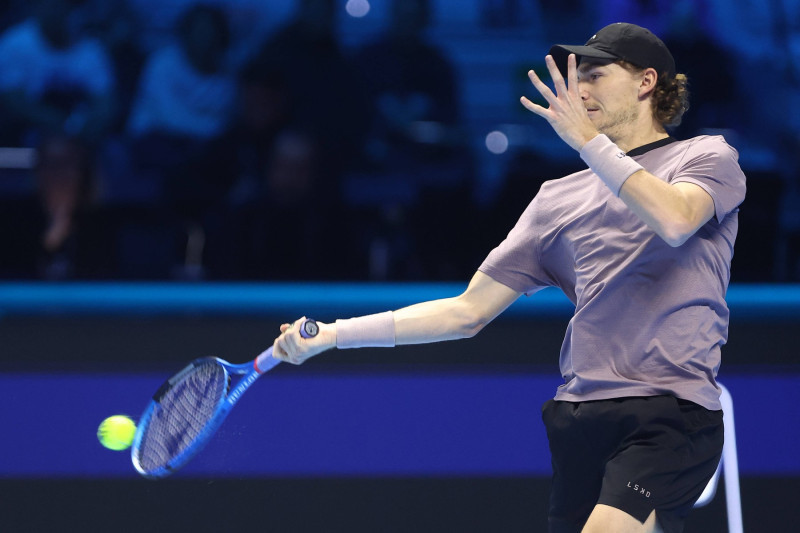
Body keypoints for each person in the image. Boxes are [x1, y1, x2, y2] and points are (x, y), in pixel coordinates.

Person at [270, 23, 746, 533]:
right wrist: (334, 335)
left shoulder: (706, 157)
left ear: (646, 81)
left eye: (595, 74)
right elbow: (466, 312)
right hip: (578, 417)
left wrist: (590, 144)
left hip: (668, 415)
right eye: (574, 76)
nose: (578, 89)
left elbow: (675, 221)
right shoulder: (556, 199)